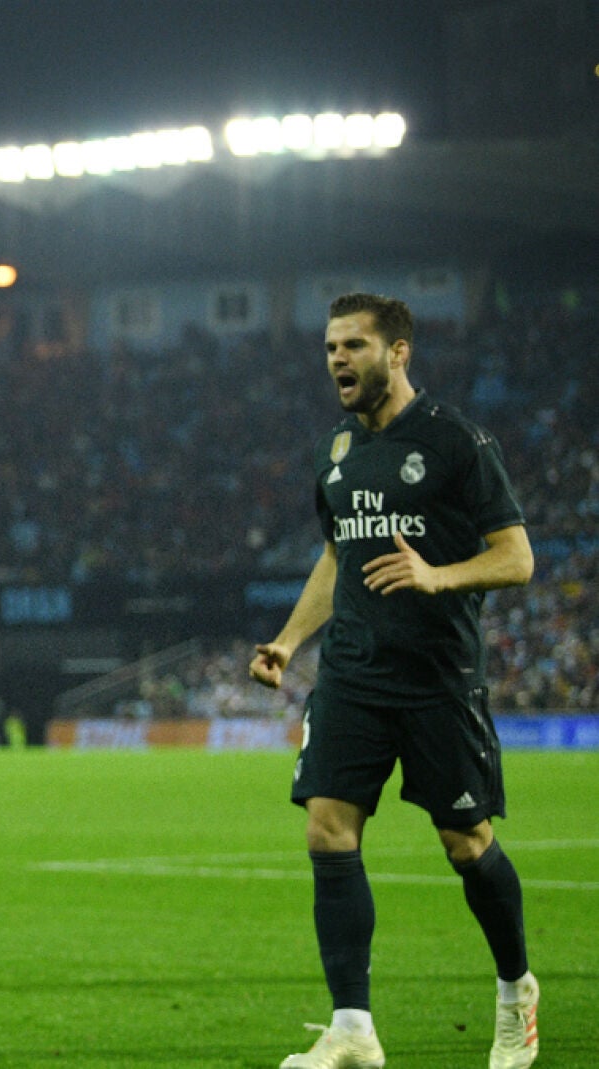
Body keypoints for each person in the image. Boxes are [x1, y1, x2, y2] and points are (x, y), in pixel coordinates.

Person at [249, 293, 538, 1069]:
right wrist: (287, 640)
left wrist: (438, 575)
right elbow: (339, 556)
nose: (338, 359)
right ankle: (352, 1029)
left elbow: (517, 557)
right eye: (331, 346)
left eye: (355, 345)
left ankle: (516, 990)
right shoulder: (334, 450)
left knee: (466, 842)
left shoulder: (456, 441)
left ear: (398, 352)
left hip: (439, 677)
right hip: (352, 673)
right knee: (326, 827)